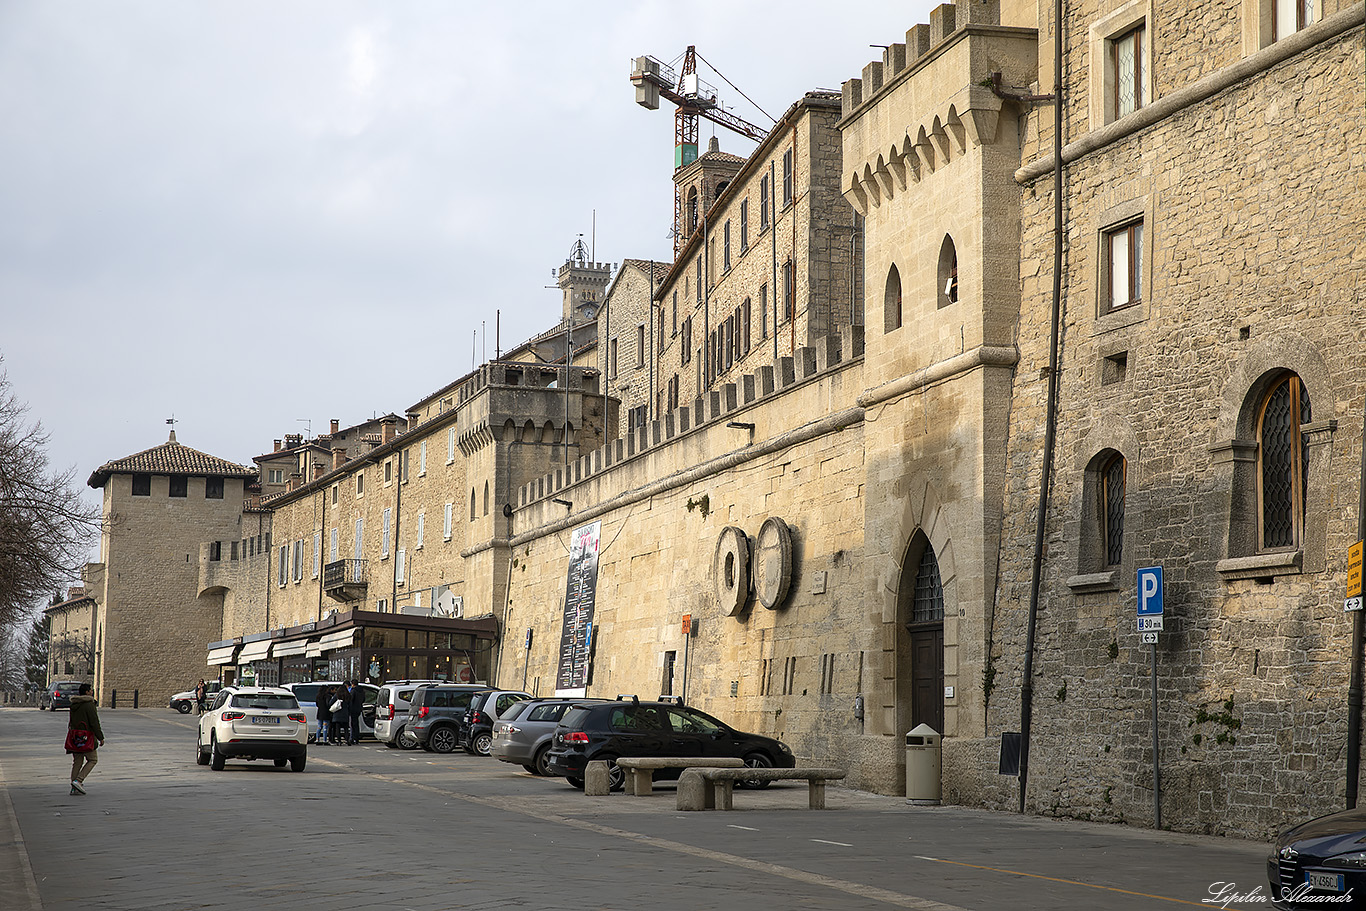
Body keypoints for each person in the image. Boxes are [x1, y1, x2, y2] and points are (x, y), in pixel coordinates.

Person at [66, 683, 104, 795]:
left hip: (75, 736)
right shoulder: (89, 704)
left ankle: (73, 787)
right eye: (91, 690)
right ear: (87, 692)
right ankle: (79, 780)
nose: (92, 692)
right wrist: (100, 737)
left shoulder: (74, 704)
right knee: (93, 759)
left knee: (77, 761)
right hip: (86, 737)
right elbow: (94, 722)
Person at [346, 680, 365, 745]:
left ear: (352, 684)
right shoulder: (361, 691)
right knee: (356, 724)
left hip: (353, 709)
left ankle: (353, 738)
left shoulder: (353, 690)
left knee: (353, 724)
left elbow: (351, 699)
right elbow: (363, 699)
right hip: (359, 708)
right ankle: (356, 738)